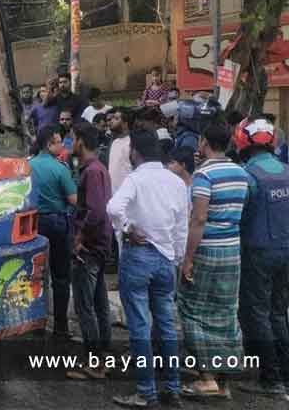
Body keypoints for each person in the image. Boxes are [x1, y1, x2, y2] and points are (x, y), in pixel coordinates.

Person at [107, 131, 188, 408]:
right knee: (167, 326)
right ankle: (173, 388)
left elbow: (113, 208)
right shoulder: (176, 182)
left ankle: (146, 392)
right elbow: (182, 226)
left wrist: (128, 228)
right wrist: (177, 259)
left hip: (138, 257)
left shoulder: (135, 179)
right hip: (166, 259)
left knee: (140, 327)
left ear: (135, 152)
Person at [178, 124, 247, 399]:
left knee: (192, 310)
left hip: (207, 250)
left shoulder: (203, 174)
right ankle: (223, 380)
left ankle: (206, 378)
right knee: (226, 311)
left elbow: (199, 219)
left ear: (204, 142)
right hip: (232, 251)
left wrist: (188, 259)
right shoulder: (241, 172)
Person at [233, 118, 289, 398]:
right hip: (285, 251)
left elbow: (238, 215)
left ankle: (270, 379)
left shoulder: (247, 176)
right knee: (278, 312)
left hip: (257, 253)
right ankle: (284, 374)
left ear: (242, 142)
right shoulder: (287, 171)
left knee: (256, 313)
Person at [67, 122, 113, 380]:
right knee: (99, 304)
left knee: (86, 307)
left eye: (72, 138)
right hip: (99, 246)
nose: (70, 143)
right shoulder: (97, 169)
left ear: (81, 142)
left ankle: (95, 362)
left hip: (90, 247)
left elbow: (95, 211)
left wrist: (79, 238)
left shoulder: (92, 172)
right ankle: (103, 358)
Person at [30, 124, 78, 339]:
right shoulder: (60, 169)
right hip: (57, 223)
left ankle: (36, 324)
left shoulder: (27, 166)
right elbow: (73, 199)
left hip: (33, 225)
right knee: (60, 276)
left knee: (36, 274)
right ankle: (60, 326)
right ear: (49, 144)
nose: (62, 146)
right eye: (59, 142)